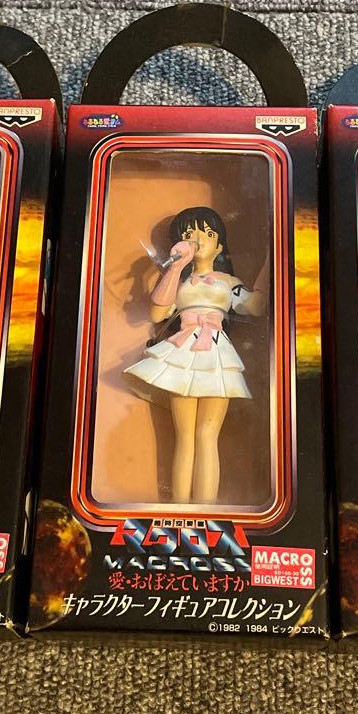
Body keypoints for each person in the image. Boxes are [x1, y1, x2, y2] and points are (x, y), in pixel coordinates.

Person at [124, 206, 265, 504]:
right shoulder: (180, 281)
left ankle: (206, 509)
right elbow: (158, 312)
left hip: (215, 354)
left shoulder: (228, 282)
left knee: (207, 434)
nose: (198, 239)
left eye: (207, 233)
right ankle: (180, 508)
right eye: (189, 233)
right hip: (184, 352)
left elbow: (254, 307)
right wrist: (175, 268)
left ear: (220, 246)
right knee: (185, 435)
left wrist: (271, 265)